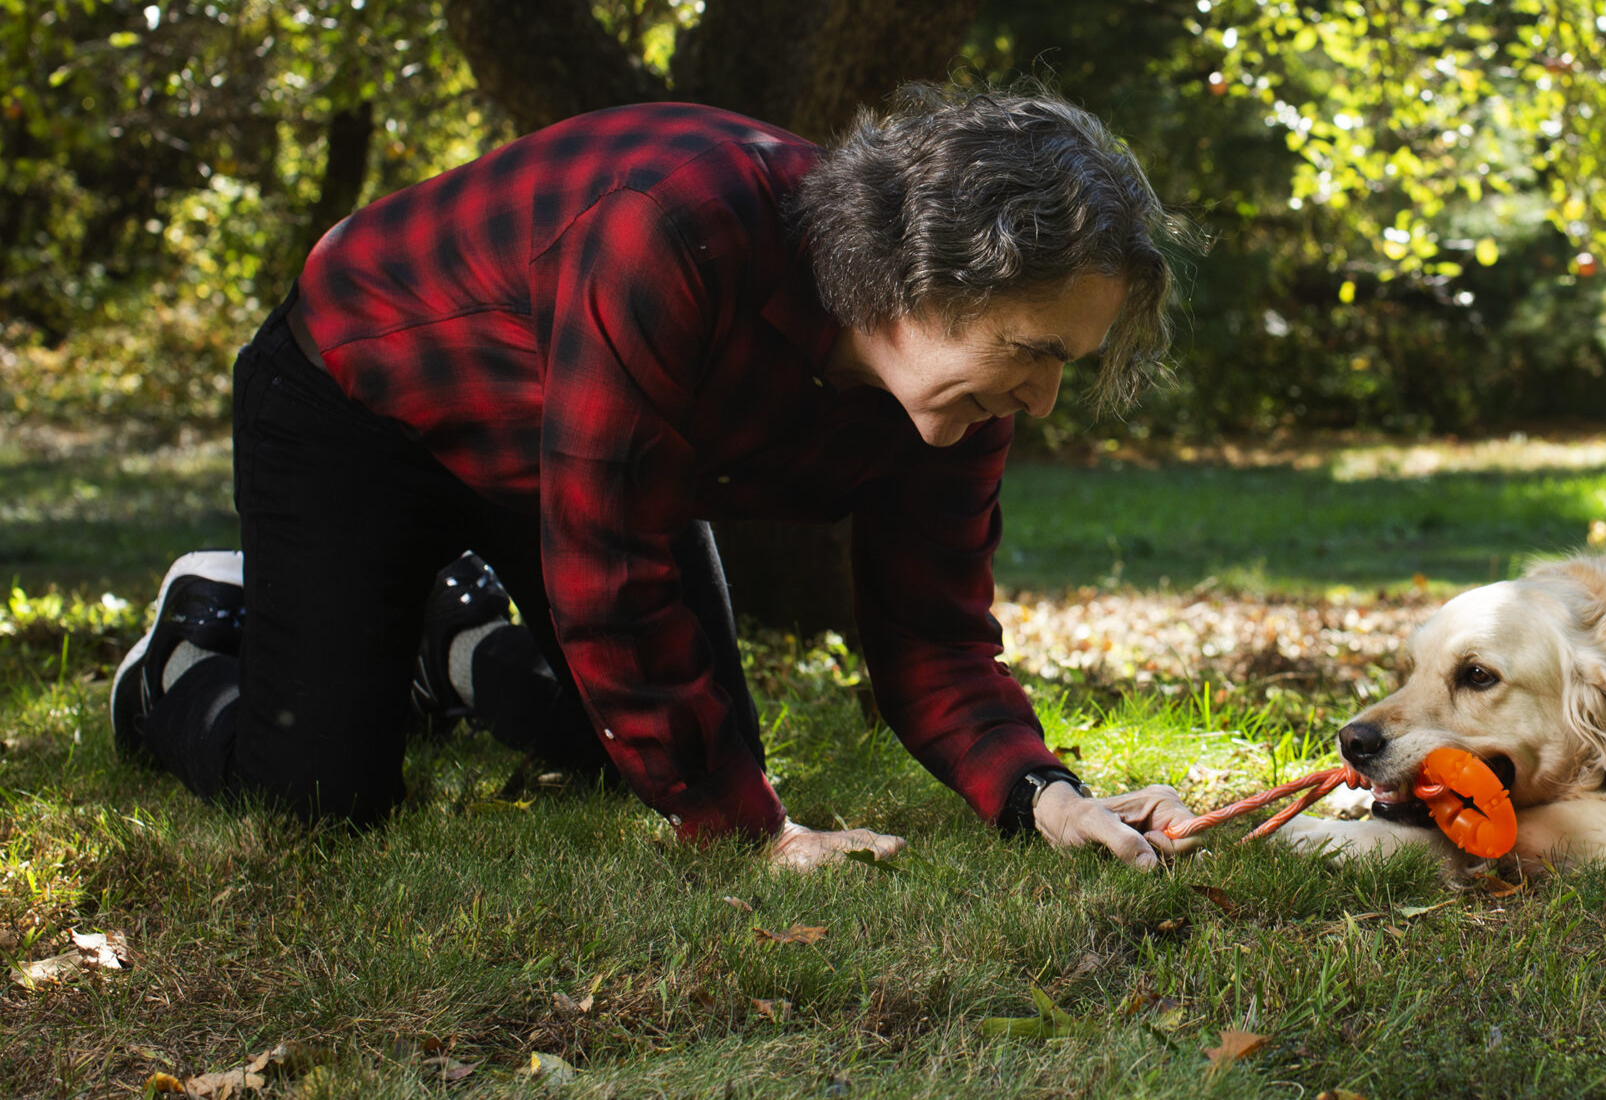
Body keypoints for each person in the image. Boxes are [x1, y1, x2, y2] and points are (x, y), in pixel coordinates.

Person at [111, 85, 1200, 871]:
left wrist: (1041, 794)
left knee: (645, 744)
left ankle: (451, 645)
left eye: (1071, 362)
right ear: (928, 279)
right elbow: (611, 569)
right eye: (1039, 352)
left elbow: (936, 636)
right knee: (317, 801)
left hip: (587, 455)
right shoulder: (679, 224)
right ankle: (181, 658)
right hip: (361, 399)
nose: (1046, 399)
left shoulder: (959, 401)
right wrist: (756, 834)